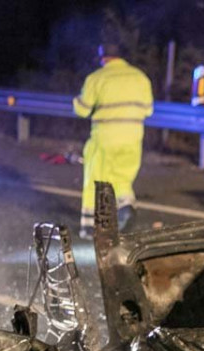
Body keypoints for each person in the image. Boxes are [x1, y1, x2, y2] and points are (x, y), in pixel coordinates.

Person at [73, 43, 153, 238]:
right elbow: (148, 110)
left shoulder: (96, 78)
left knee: (97, 179)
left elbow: (82, 109)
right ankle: (125, 206)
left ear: (103, 58)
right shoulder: (140, 77)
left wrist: (76, 101)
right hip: (133, 138)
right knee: (122, 178)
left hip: (105, 139)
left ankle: (92, 227)